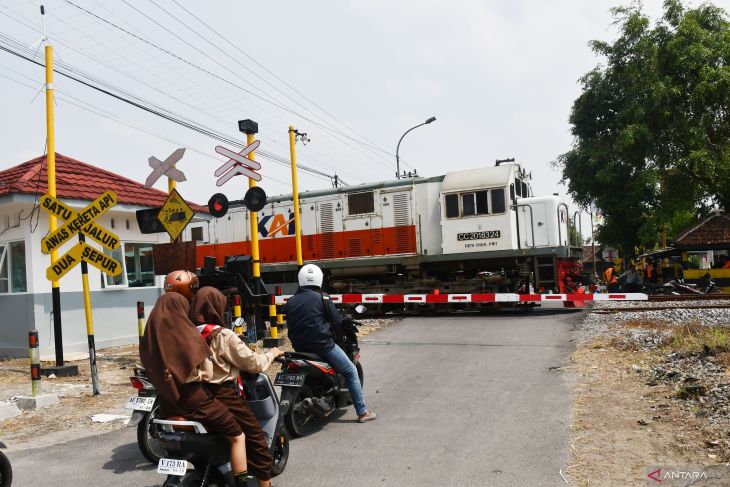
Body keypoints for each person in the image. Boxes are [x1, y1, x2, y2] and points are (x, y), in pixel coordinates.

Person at [139, 292, 252, 487]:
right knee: (237, 435)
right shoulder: (186, 335)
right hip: (195, 401)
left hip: (168, 405)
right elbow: (205, 369)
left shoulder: (152, 340)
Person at [189, 287, 284, 487]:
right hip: (224, 395)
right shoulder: (223, 335)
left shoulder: (188, 333)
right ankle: (264, 484)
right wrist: (273, 354)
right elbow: (253, 364)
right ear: (216, 307)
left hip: (196, 395)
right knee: (257, 439)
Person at [284, 264, 377, 423]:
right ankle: (362, 412)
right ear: (319, 279)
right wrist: (339, 339)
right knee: (350, 371)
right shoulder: (323, 298)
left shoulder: (291, 301)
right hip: (323, 347)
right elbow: (336, 323)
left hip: (299, 348)